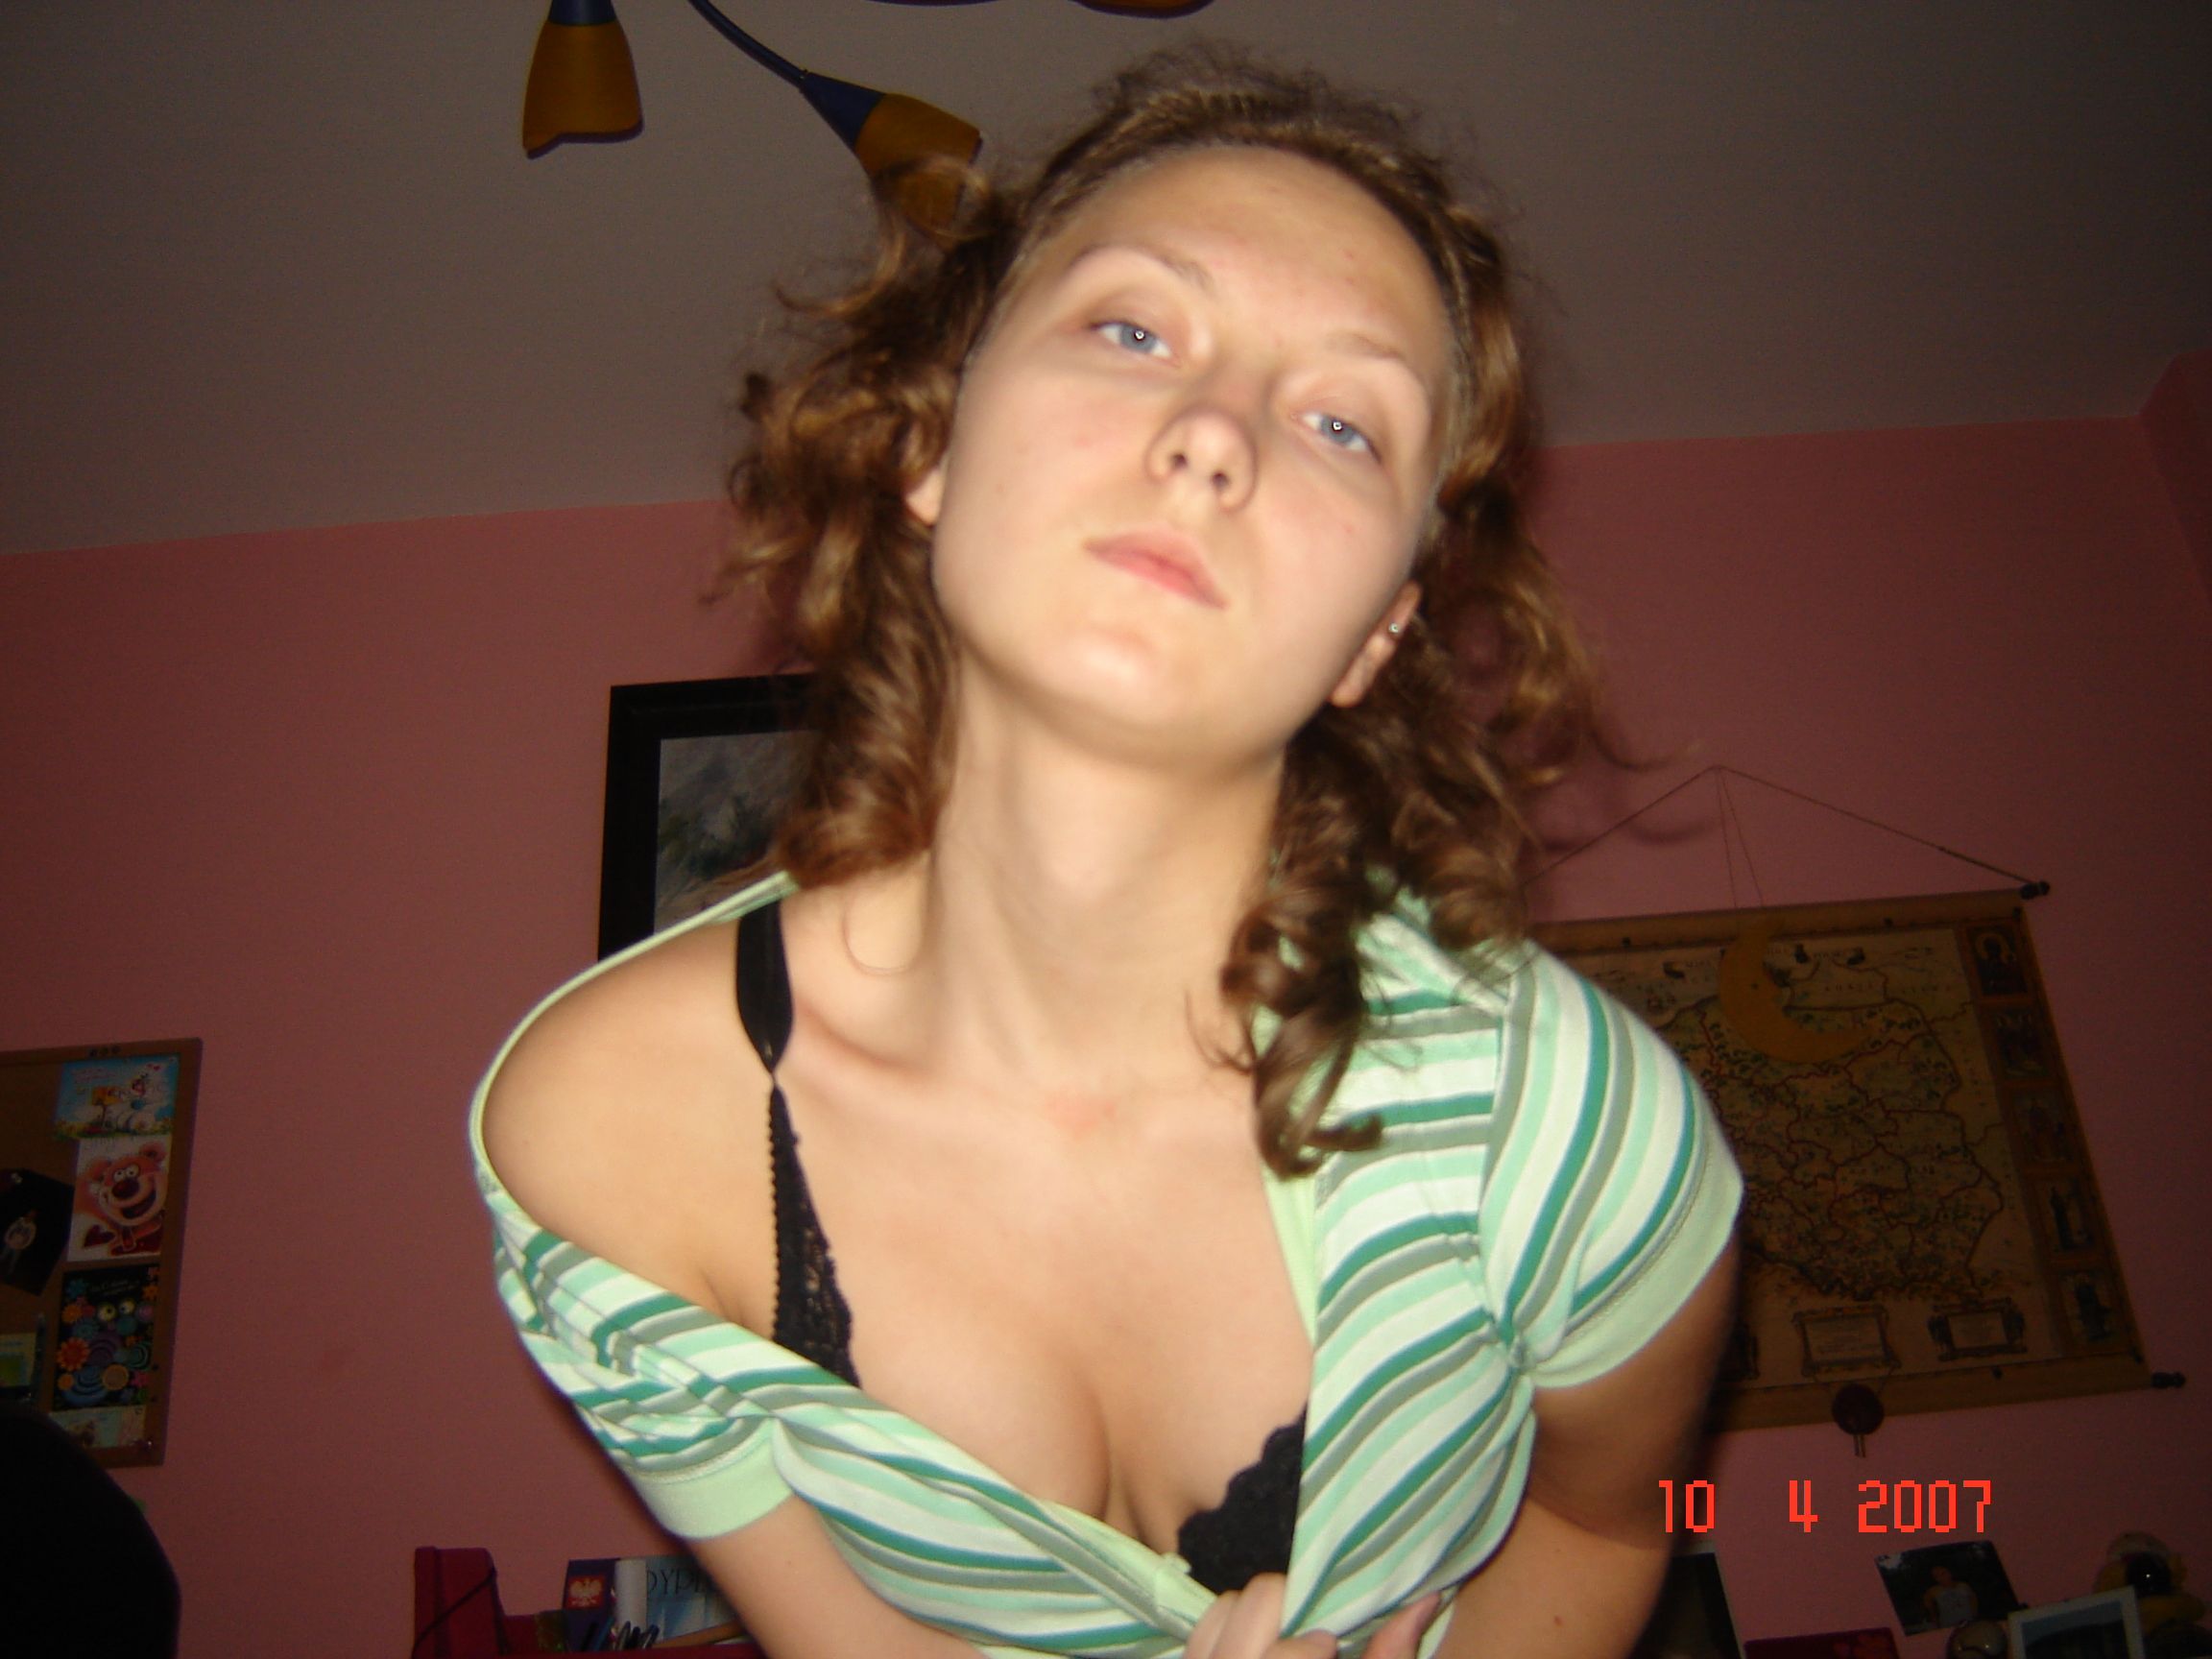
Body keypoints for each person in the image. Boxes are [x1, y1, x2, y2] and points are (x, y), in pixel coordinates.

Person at [474, 44, 1741, 1659]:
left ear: (1380, 631)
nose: (1217, 436)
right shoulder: (606, 1140)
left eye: (1344, 423)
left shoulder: (1569, 1129)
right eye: (1134, 331)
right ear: (933, 447)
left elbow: (1611, 1517)